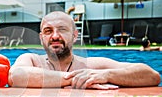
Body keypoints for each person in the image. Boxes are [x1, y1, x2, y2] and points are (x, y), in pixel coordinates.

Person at [8, 11, 160, 89]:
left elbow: (152, 76)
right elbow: (15, 75)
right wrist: (78, 79)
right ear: (41, 38)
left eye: (62, 29)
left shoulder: (94, 66)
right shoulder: (31, 60)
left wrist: (106, 75)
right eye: (48, 31)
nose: (55, 36)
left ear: (75, 35)